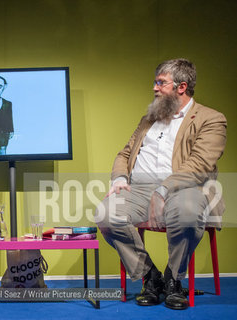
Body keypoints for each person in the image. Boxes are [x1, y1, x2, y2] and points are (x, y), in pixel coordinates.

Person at [95, 59, 226, 310]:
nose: (154, 88)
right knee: (106, 213)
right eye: (155, 82)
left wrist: (163, 190)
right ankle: (150, 276)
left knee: (187, 213)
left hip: (186, 188)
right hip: (140, 189)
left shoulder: (212, 119)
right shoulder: (149, 119)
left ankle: (174, 279)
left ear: (181, 87)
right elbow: (125, 153)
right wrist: (120, 178)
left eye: (161, 83)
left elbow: (200, 164)